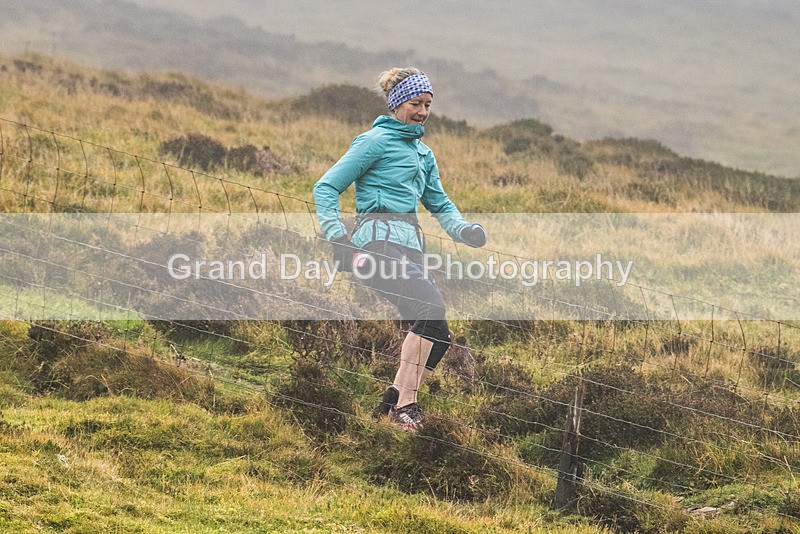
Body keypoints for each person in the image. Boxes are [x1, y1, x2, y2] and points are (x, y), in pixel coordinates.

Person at [313, 67, 487, 432]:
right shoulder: (373, 142)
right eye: (415, 103)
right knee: (430, 308)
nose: (422, 112)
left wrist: (464, 230)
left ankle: (389, 404)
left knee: (438, 334)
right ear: (396, 104)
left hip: (411, 251)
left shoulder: (424, 154)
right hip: (375, 245)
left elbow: (440, 203)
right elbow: (325, 187)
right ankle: (407, 405)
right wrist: (338, 238)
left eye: (428, 105)